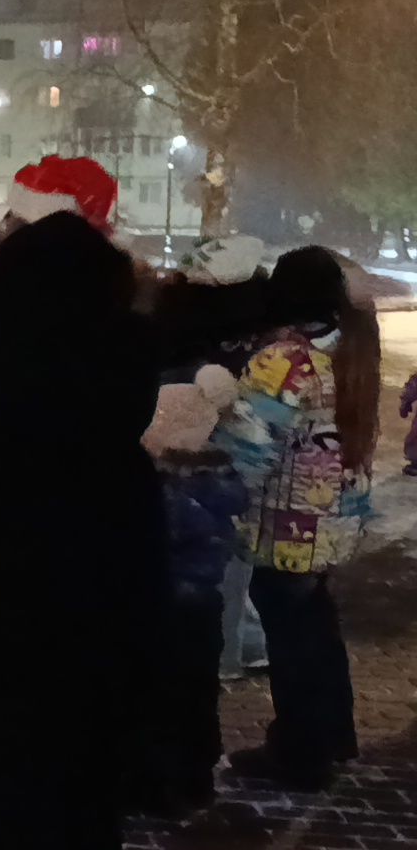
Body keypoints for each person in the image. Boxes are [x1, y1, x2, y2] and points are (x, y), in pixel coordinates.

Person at [0, 212, 166, 850]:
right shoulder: (123, 337)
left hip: (7, 551)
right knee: (88, 739)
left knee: (5, 728)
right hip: (107, 547)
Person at [215, 246, 377, 792]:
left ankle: (299, 751)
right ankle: (332, 736)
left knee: (292, 639)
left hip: (284, 524)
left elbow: (248, 446)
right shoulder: (349, 351)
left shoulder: (283, 359)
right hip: (332, 521)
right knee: (316, 628)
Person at [154, 233, 273, 679]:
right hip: (237, 448)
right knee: (231, 550)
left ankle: (227, 650)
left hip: (195, 453)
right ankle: (237, 647)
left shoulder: (178, 317)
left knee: (211, 552)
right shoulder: (256, 323)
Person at [139, 363, 247, 812]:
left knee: (162, 692)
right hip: (205, 603)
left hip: (166, 604)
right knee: (197, 690)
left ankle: (164, 781)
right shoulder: (221, 479)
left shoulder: (168, 494)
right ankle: (197, 772)